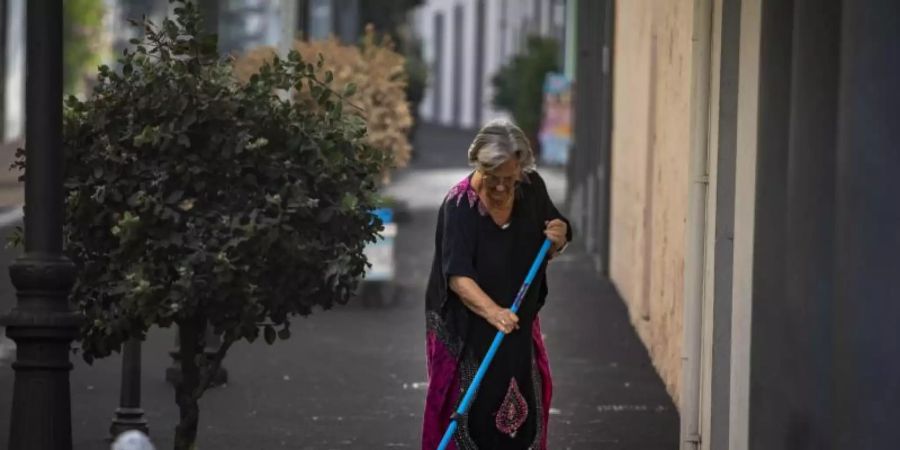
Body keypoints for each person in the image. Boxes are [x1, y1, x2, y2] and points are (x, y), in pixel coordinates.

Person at [422, 119, 573, 449]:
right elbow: (458, 276)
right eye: (493, 178)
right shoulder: (459, 206)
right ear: (478, 164)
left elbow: (557, 228)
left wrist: (558, 238)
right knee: (472, 411)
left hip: (517, 318)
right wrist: (494, 312)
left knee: (522, 409)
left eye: (510, 177)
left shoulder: (531, 187)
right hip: (467, 326)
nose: (503, 187)